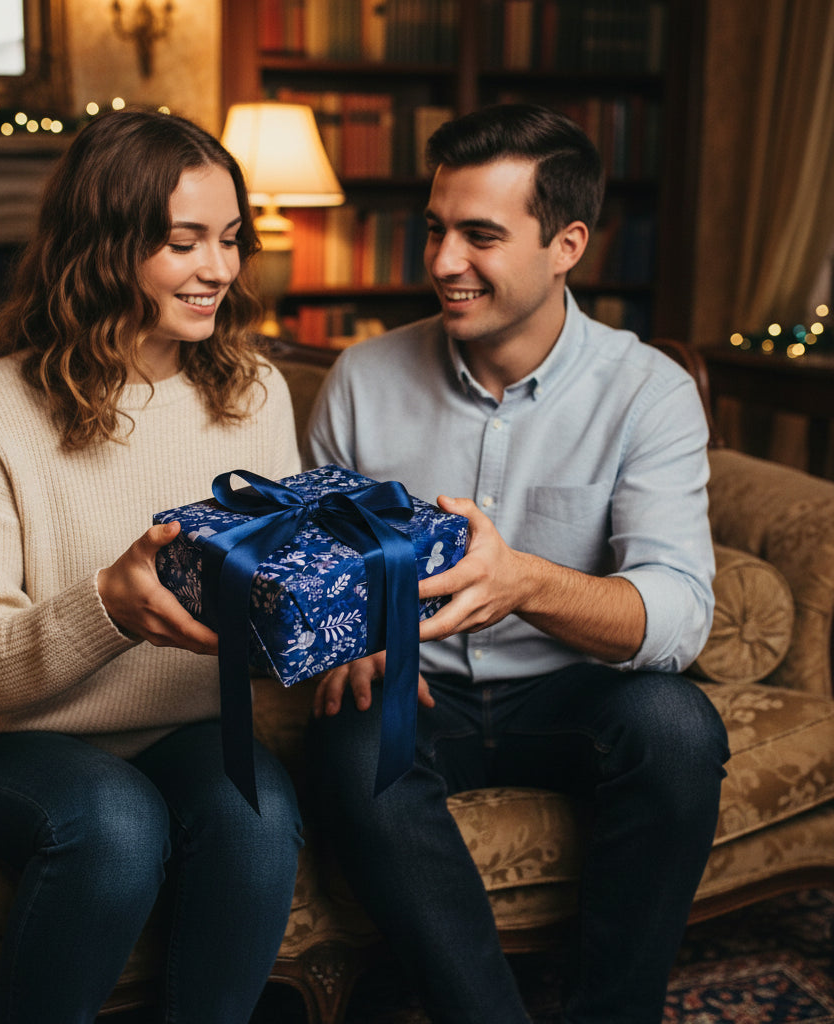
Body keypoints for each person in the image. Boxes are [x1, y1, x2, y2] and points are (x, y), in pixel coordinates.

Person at [304, 103, 730, 1023]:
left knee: (680, 729)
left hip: (574, 694)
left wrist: (525, 582)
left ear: (567, 243)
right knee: (347, 742)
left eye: (480, 236)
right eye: (436, 230)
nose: (443, 263)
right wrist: (345, 632)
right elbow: (319, 565)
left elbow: (678, 612)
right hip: (417, 692)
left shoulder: (647, 390)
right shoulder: (363, 379)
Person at [0, 108, 303, 1024]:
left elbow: (273, 595)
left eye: (229, 240)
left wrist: (352, 616)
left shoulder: (255, 392)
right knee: (117, 827)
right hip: (13, 739)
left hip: (186, 726)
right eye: (183, 243)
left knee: (259, 818)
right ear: (103, 246)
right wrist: (105, 605)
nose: (218, 270)